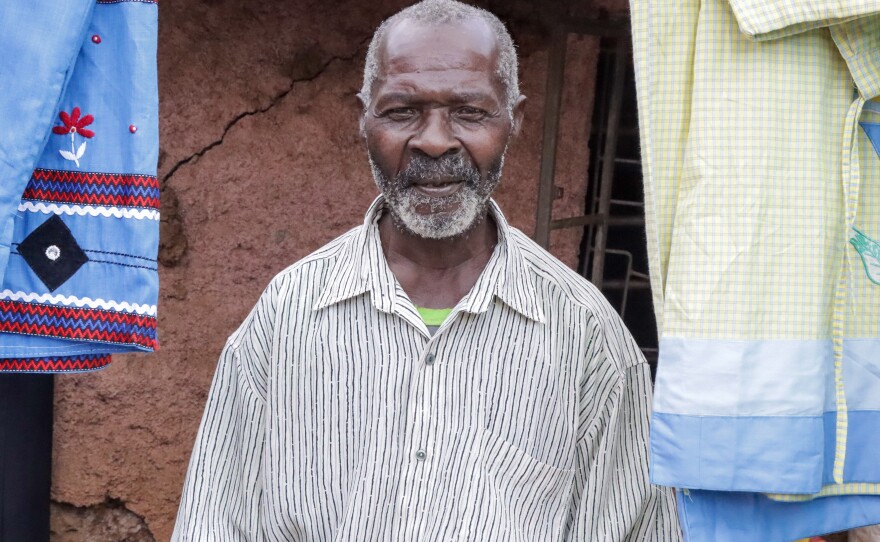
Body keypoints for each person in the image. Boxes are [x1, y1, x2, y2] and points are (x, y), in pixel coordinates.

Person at [171, 1, 680, 540]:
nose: (435, 140)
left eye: (469, 112)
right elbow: (214, 520)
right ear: (364, 119)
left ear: (515, 119)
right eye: (401, 112)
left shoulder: (586, 333)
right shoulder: (288, 312)